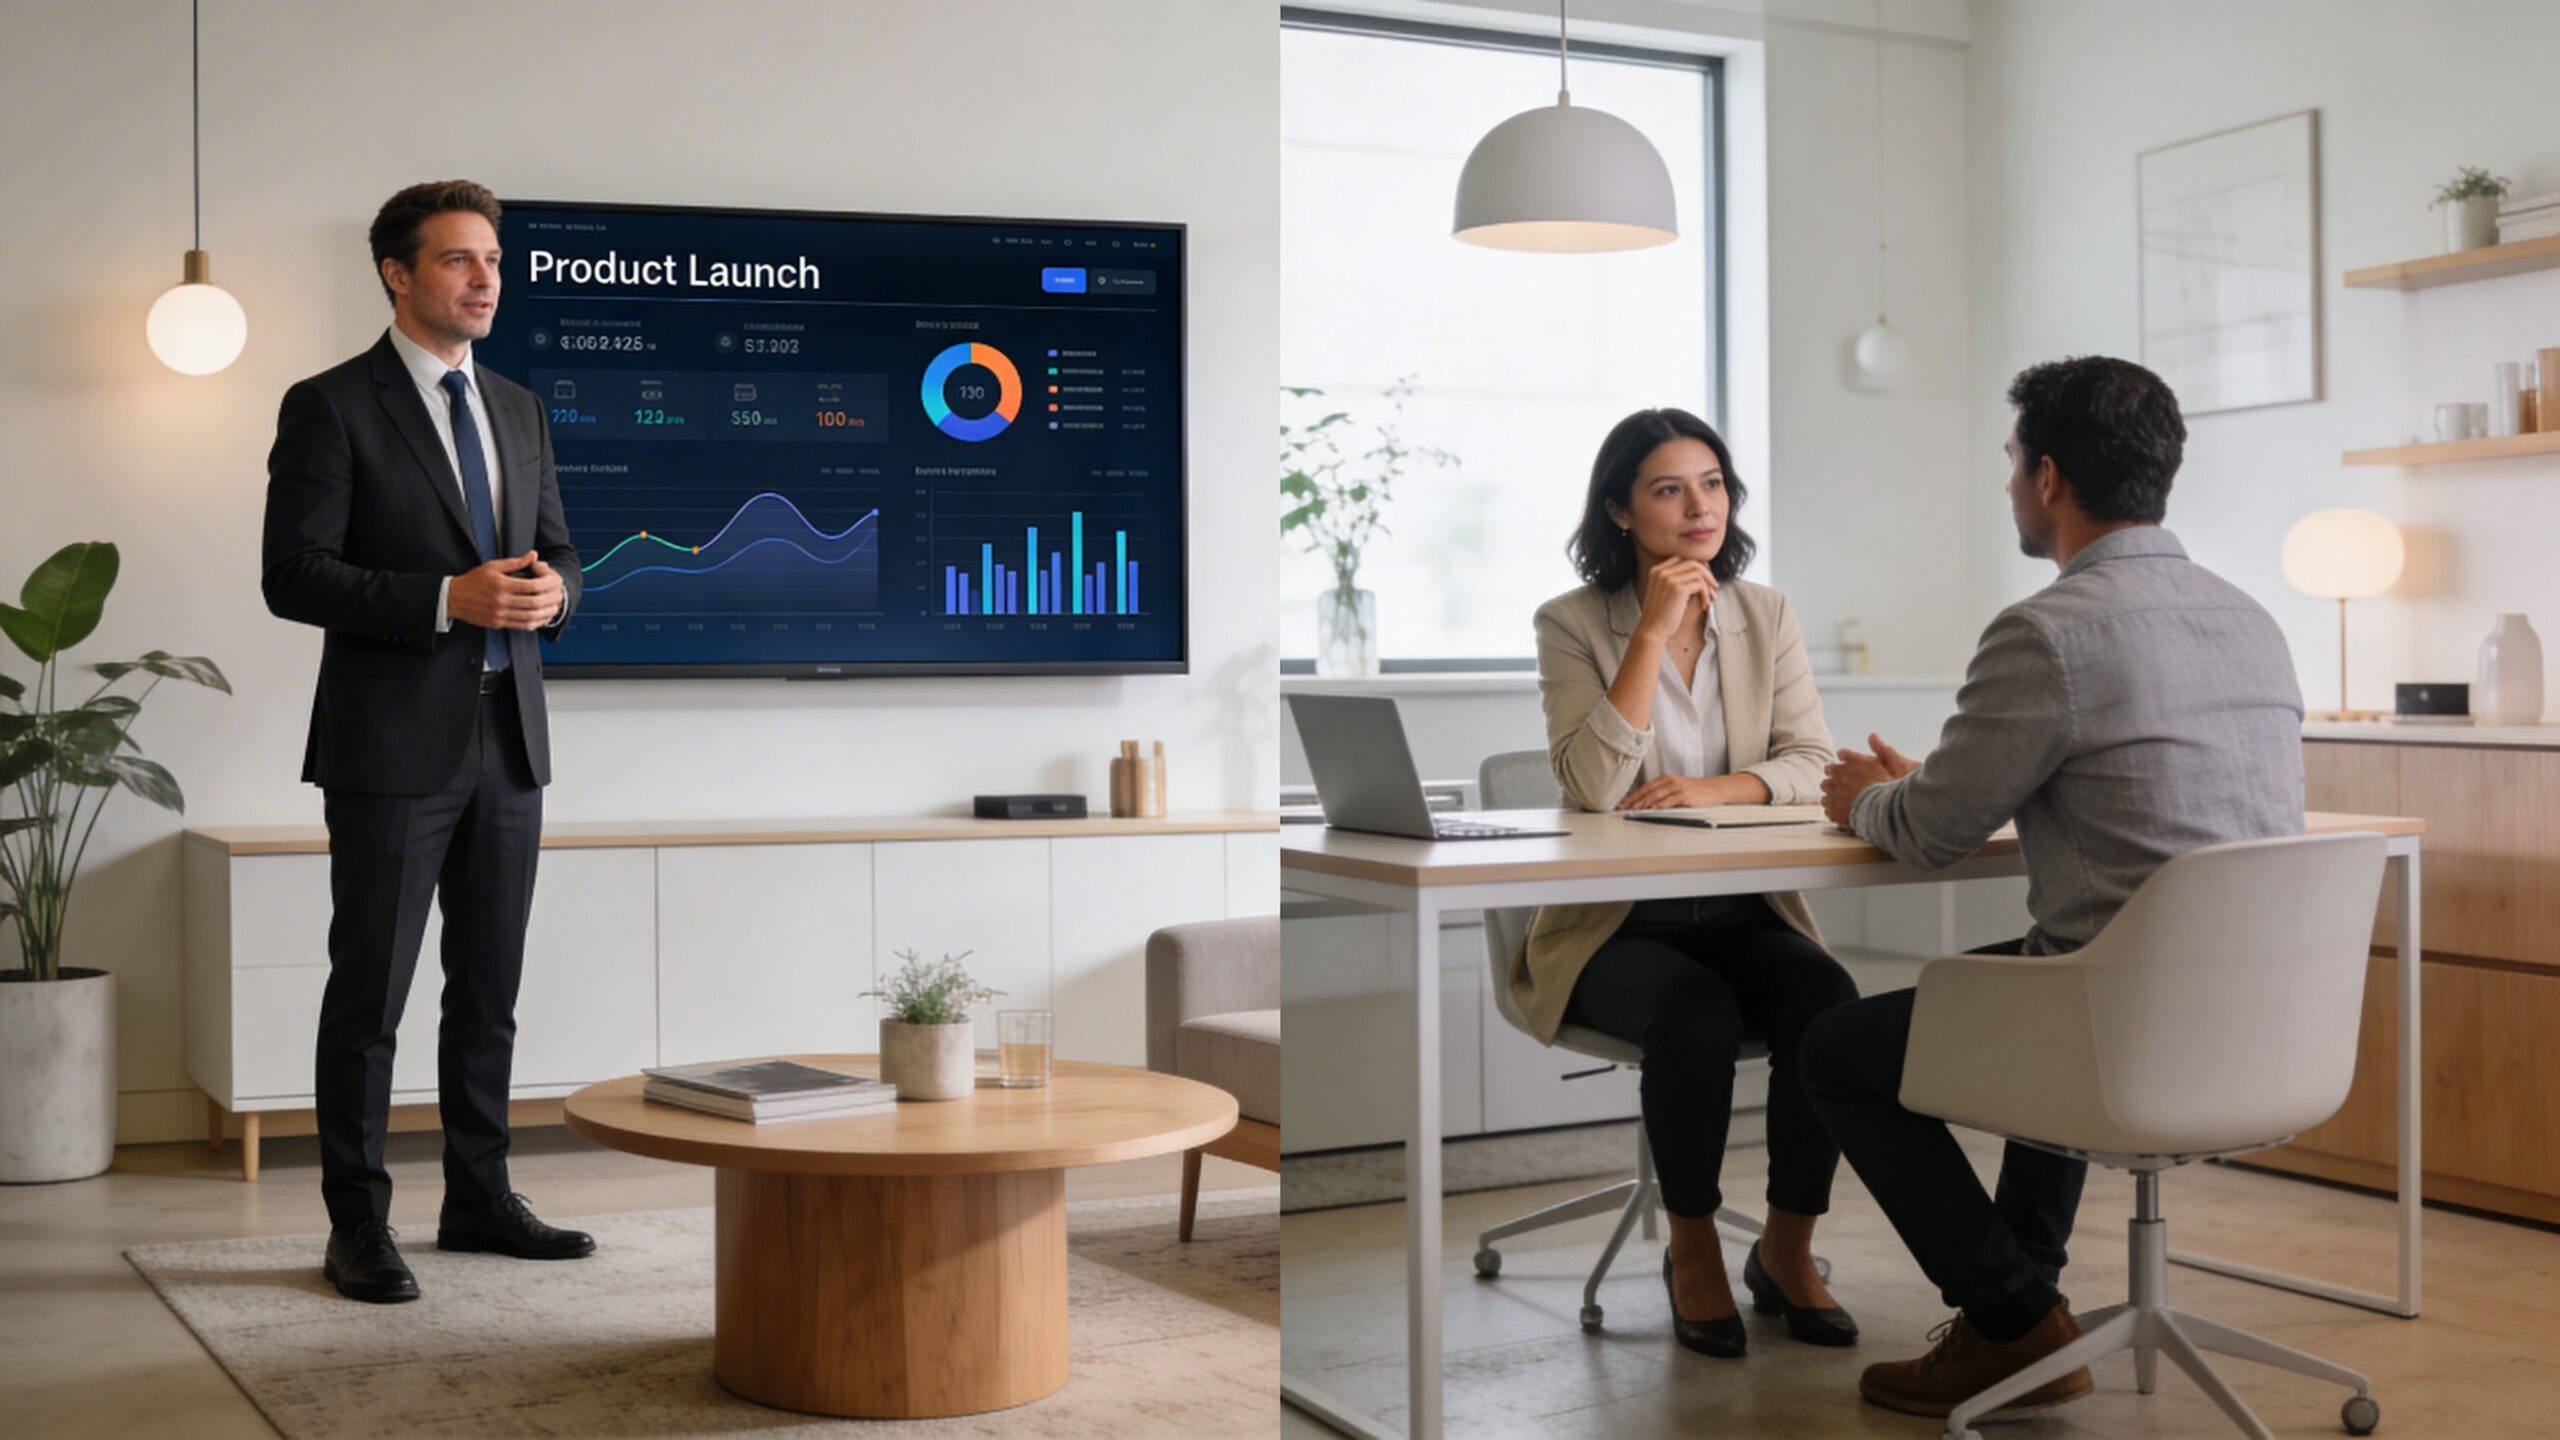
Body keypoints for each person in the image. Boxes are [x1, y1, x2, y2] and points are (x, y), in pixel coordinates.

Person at [1801, 355, 2305, 1421]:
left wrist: (1859, 796)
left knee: (1838, 1049)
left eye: (2009, 462)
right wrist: (1931, 784)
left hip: (2121, 1025)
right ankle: (2023, 1319)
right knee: (2046, 967)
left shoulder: (2047, 631)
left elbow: (1930, 839)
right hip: (2270, 1020)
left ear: (2047, 478)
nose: (2007, 485)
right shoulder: (2249, 621)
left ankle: (2011, 1316)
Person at [263, 180, 592, 1303]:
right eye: (458, 260)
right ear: (398, 276)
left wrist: (554, 598)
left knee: (487, 990)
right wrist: (447, 599)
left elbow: (559, 555)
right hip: (391, 750)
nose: (485, 278)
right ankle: (356, 1224)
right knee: (371, 998)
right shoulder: (332, 405)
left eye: (492, 259)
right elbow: (291, 575)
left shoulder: (518, 407)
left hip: (509, 740)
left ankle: (478, 1197)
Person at [1521, 407, 1862, 1359]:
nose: (1698, 506)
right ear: (1622, 512)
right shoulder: (1572, 622)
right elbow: (1590, 783)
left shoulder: (1767, 614)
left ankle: (1788, 1250)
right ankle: (1695, 1249)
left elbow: (1810, 759)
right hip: (1615, 928)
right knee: (1696, 1014)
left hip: (1744, 911)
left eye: (1711, 483)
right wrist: (1654, 631)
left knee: (1827, 1001)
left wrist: (1728, 785)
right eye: (1668, 488)